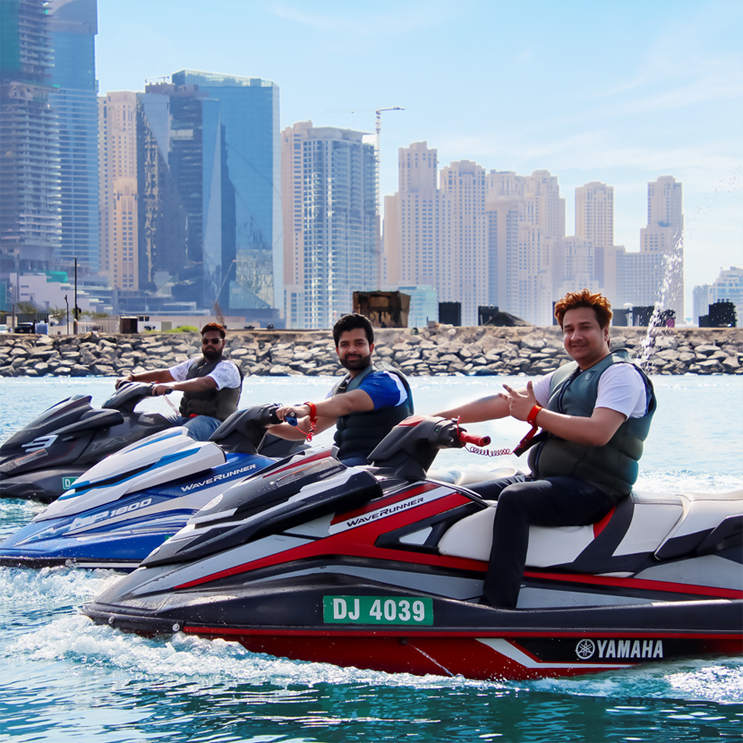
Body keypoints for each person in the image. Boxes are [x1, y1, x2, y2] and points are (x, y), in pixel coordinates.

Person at [435, 289, 656, 609]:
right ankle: (441, 583)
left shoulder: (620, 375)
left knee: (515, 500)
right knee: (456, 496)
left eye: (585, 327)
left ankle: (497, 606)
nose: (575, 336)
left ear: (605, 332)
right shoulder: (565, 375)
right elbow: (505, 403)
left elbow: (599, 433)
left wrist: (535, 414)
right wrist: (433, 418)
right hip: (549, 479)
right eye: (568, 329)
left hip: (595, 490)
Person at [272, 313, 414, 465]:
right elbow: (306, 427)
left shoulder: (386, 380)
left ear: (371, 347)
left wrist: (306, 408)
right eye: (345, 345)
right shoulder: (343, 386)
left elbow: (349, 402)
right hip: (350, 465)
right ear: (338, 350)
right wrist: (264, 425)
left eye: (359, 343)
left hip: (381, 470)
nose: (351, 349)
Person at [117, 322, 242, 440]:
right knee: (149, 426)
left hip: (215, 423)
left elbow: (205, 383)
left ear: (223, 343)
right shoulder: (195, 364)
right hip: (184, 419)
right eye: (205, 341)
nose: (209, 344)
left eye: (214, 341)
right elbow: (164, 374)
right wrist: (132, 378)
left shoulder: (227, 367)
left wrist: (172, 387)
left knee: (181, 436)